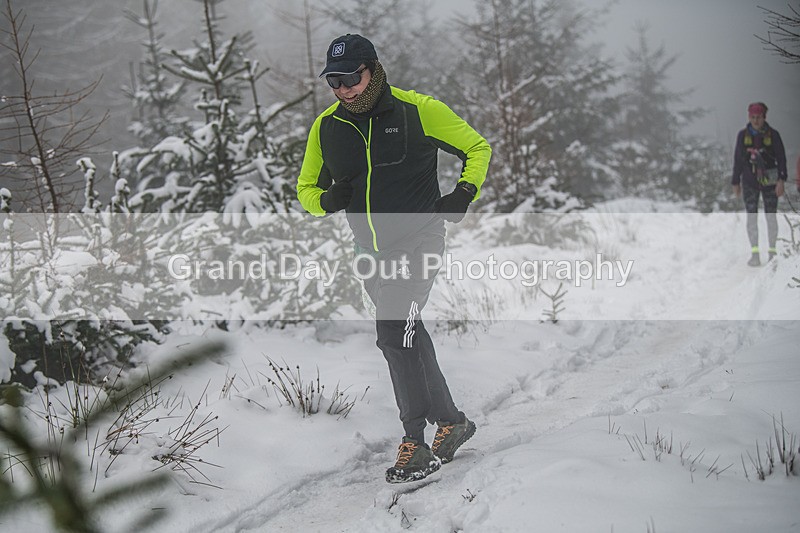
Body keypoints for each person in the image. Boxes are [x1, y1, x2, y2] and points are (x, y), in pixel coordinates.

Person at [296, 34, 491, 483]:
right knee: (407, 332)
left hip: (419, 239)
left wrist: (464, 192)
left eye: (352, 78)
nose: (344, 89)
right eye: (333, 81)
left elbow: (477, 148)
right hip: (369, 253)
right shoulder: (327, 127)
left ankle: (414, 443)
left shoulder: (417, 110)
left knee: (392, 333)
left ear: (373, 70)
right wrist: (326, 200)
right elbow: (305, 190)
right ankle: (452, 421)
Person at [731, 102, 787, 266]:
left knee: (771, 216)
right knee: (752, 217)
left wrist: (781, 180)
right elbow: (738, 159)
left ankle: (772, 251)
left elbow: (781, 158)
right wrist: (735, 181)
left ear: (764, 117)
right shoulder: (743, 136)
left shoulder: (773, 135)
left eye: (759, 117)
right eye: (753, 117)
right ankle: (754, 253)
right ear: (749, 117)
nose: (756, 121)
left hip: (770, 181)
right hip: (749, 181)